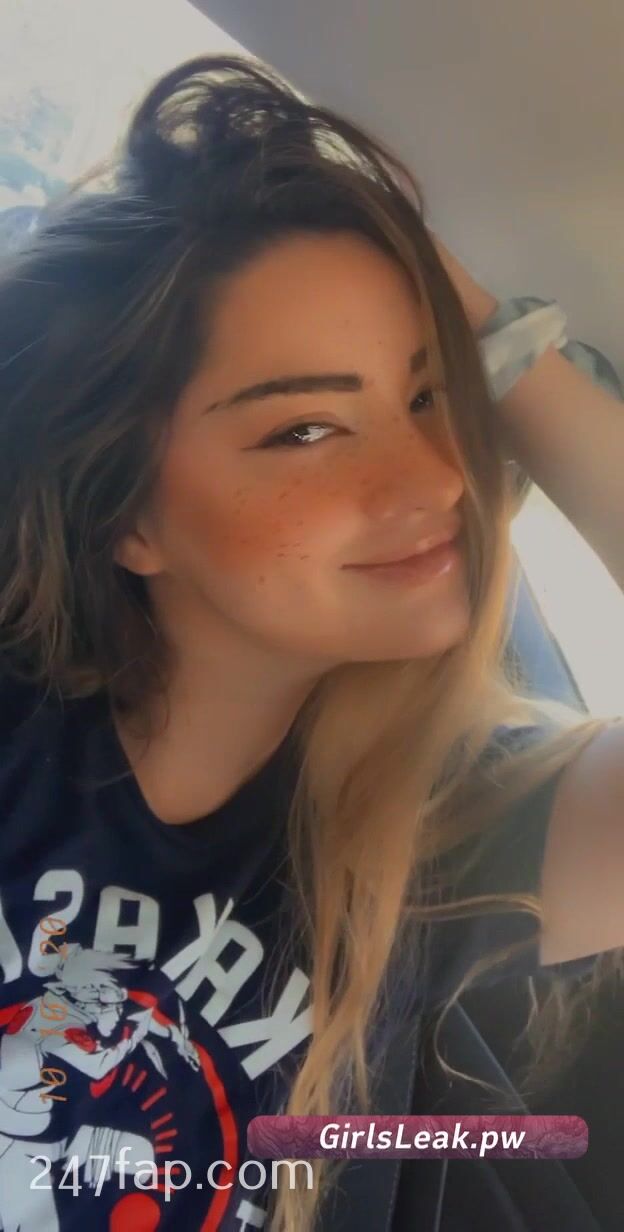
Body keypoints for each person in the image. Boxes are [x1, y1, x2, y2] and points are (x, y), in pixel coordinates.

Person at [0, 53, 622, 1232]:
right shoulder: (22, 734)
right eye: (306, 429)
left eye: (431, 396)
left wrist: (504, 343)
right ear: (127, 514)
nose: (439, 480)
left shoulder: (445, 835)